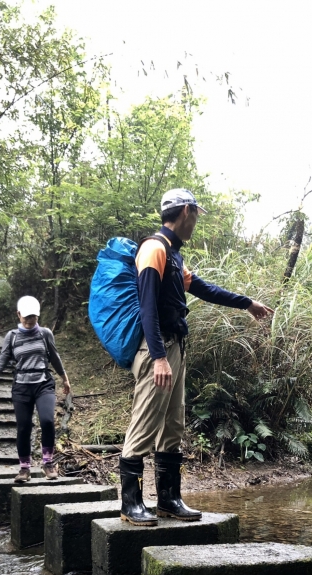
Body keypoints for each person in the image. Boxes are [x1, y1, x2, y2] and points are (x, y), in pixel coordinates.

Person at [120, 188, 274, 526]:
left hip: (175, 347)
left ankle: (168, 500)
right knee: (145, 422)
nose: (196, 223)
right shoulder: (154, 249)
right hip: (158, 349)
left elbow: (204, 289)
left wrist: (246, 303)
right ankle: (130, 504)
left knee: (172, 425)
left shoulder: (173, 256)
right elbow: (147, 307)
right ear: (186, 211)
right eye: (196, 216)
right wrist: (159, 357)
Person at [0, 296, 71, 483]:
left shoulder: (45, 334)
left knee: (47, 421)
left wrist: (65, 379)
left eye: (33, 316)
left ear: (38, 316)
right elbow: (1, 361)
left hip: (43, 383)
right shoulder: (12, 337)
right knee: (24, 426)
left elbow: (54, 357)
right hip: (21, 386)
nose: (29, 320)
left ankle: (48, 463)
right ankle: (24, 468)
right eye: (26, 317)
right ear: (18, 314)